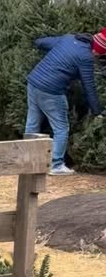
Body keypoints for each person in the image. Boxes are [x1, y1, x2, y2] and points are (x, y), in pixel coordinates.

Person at [25, 29, 106, 174]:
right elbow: (89, 87)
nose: (97, 57)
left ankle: (25, 160)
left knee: (33, 123)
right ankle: (56, 165)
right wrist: (97, 112)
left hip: (34, 82)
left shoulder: (68, 39)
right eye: (99, 54)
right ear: (96, 49)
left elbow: (42, 42)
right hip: (52, 91)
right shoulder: (85, 57)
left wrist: (44, 48)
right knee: (61, 128)